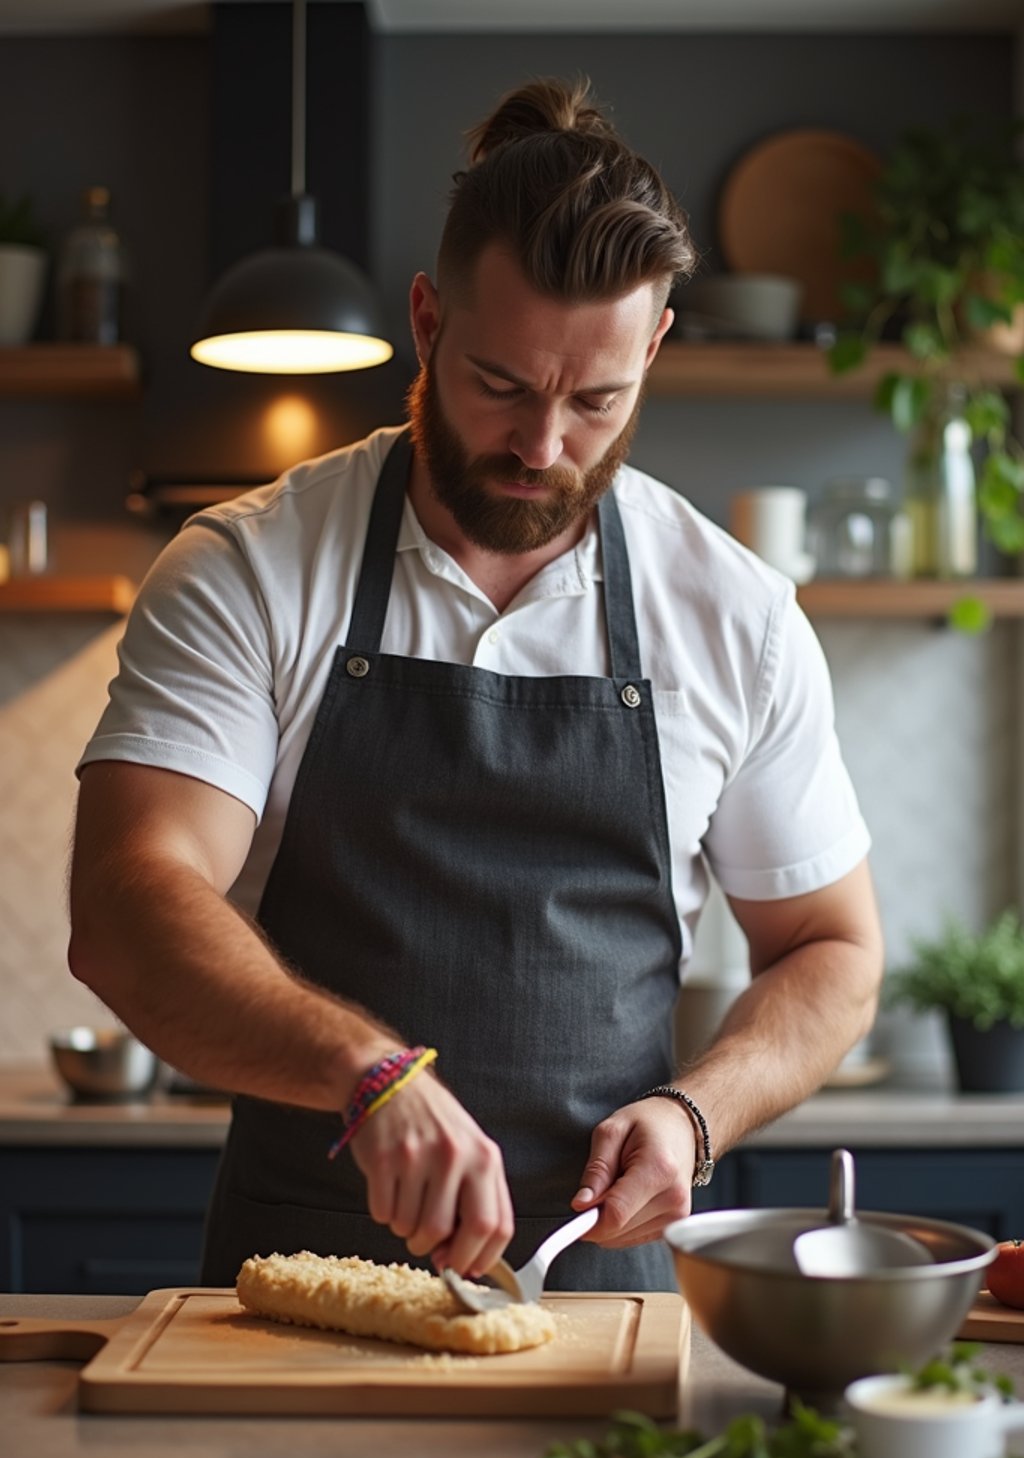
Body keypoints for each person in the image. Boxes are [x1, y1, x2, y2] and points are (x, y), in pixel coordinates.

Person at [69, 78, 884, 1293]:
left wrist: (697, 1113)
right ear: (427, 321)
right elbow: (130, 904)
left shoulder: (736, 616)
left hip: (594, 1292)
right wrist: (368, 1072)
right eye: (502, 384)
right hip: (296, 1286)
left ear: (654, 348)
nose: (543, 445)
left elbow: (831, 950)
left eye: (597, 399)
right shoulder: (250, 566)